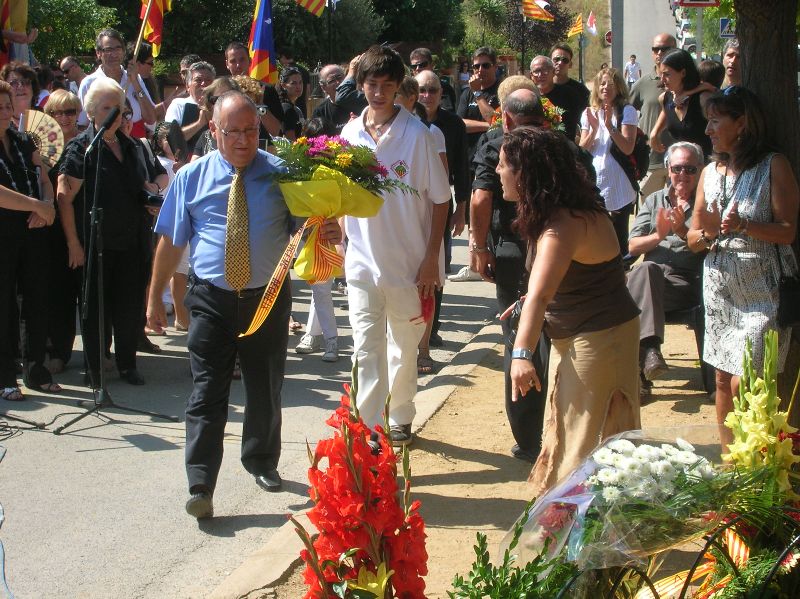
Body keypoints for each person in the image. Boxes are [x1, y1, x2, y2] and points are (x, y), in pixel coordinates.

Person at [146, 90, 342, 519]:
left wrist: (328, 228)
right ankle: (200, 482)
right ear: (213, 130)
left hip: (266, 299)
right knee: (206, 392)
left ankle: (261, 460)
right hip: (211, 298)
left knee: (265, 387)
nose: (243, 140)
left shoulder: (283, 175)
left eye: (251, 130)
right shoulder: (190, 178)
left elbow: (310, 228)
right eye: (233, 131)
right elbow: (171, 239)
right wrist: (154, 297)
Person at [501, 127, 640, 497]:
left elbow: (541, 294)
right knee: (572, 430)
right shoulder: (557, 216)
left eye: (503, 165)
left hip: (599, 338)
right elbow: (553, 285)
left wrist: (520, 353)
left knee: (586, 438)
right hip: (586, 334)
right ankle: (581, 534)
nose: (498, 171)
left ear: (524, 173)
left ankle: (580, 537)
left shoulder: (564, 225)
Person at [340, 46, 450, 446]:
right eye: (372, 84)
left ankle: (401, 415)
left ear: (398, 88)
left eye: (387, 85)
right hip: (361, 262)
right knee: (365, 346)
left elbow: (441, 200)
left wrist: (430, 259)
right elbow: (341, 193)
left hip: (408, 263)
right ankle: (367, 427)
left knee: (403, 347)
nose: (379, 93)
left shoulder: (418, 136)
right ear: (361, 85)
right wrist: (341, 234)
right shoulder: (349, 135)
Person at [686, 87, 799, 447]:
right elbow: (693, 236)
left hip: (763, 288)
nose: (708, 130)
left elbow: (788, 231)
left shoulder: (773, 165)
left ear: (743, 123)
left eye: (716, 121)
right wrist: (708, 235)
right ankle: (731, 462)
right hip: (720, 284)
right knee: (721, 379)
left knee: (748, 380)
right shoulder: (710, 171)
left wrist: (743, 226)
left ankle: (758, 460)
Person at [58, 78, 157, 387]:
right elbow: (64, 196)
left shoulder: (132, 146)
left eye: (120, 108)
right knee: (95, 309)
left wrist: (152, 201)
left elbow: (137, 187)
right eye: (107, 108)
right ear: (91, 112)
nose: (116, 114)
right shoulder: (81, 148)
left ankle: (128, 364)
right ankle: (96, 366)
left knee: (129, 306)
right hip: (95, 242)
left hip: (131, 240)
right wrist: (74, 242)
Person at [626, 142, 706, 401]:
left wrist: (682, 230)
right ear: (668, 169)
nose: (682, 175)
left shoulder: (705, 203)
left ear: (700, 170)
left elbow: (709, 246)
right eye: (677, 168)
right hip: (650, 277)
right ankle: (649, 352)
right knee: (645, 271)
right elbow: (633, 245)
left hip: (685, 280)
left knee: (640, 284)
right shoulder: (654, 200)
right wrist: (659, 236)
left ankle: (641, 367)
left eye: (690, 169)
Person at [0, 80, 59, 402]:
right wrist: (36, 205)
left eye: (7, 106)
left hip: (34, 230)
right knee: (4, 306)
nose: (4, 112)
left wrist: (47, 204)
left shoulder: (23, 141)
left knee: (36, 301)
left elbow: (44, 177)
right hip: (3, 233)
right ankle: (5, 375)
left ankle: (36, 369)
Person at [415, 68, 470, 346]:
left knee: (437, 266)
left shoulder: (452, 125)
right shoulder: (407, 122)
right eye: (421, 90)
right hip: (411, 206)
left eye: (432, 90)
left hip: (441, 203)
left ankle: (431, 329)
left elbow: (461, 169)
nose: (427, 96)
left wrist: (461, 209)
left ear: (441, 94)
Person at [579, 67, 639, 254]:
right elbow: (582, 149)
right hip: (594, 182)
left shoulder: (626, 111)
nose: (605, 87)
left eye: (610, 84)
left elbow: (627, 147)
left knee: (619, 237)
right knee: (595, 236)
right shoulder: (589, 113)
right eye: (602, 83)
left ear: (619, 87)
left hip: (619, 184)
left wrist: (609, 126)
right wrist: (595, 129)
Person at [44, 89, 82, 374]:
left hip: (84, 224)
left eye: (70, 111)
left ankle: (95, 352)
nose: (63, 118)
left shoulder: (85, 143)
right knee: (58, 294)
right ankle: (57, 351)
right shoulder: (41, 146)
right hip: (51, 230)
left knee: (85, 294)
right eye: (57, 112)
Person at [78, 29, 156, 138]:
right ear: (98, 53)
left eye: (117, 49)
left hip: (135, 143)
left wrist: (135, 83)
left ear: (123, 51)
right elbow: (82, 125)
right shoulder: (89, 83)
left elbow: (151, 118)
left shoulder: (134, 78)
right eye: (108, 50)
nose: (114, 54)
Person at [630, 33, 678, 199]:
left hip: (680, 162)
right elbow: (625, 112)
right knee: (649, 219)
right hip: (651, 162)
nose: (659, 53)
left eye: (665, 49)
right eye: (655, 49)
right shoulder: (643, 83)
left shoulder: (686, 83)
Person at [649, 49, 713, 159]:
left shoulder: (703, 98)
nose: (662, 79)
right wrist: (654, 133)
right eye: (661, 74)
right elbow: (667, 113)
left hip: (705, 167)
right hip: (679, 168)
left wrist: (689, 93)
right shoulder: (665, 98)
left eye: (667, 74)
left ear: (683, 73)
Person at [224, 42, 282, 138]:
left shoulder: (266, 90)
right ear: (227, 64)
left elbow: (275, 130)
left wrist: (259, 106)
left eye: (242, 60)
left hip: (260, 147)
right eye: (233, 61)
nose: (238, 65)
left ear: (250, 61)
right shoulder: (221, 90)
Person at [165, 60, 215, 152]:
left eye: (208, 80)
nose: (204, 84)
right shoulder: (178, 105)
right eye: (198, 80)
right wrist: (199, 124)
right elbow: (169, 140)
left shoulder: (220, 105)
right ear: (188, 86)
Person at [547, 45, 590, 142]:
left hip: (569, 147)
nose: (560, 63)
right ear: (550, 62)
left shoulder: (580, 90)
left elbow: (588, 121)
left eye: (565, 60)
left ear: (570, 64)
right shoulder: (541, 89)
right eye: (556, 59)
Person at [191, 76, 240, 159]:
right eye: (216, 99)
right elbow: (194, 168)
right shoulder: (206, 136)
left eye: (227, 98)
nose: (222, 104)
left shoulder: (253, 129)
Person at [408, 47, 457, 112]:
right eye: (414, 66)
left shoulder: (443, 87)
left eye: (422, 64)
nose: (417, 68)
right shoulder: (407, 88)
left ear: (432, 66)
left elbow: (448, 113)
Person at [277, 66, 304, 140]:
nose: (298, 86)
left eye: (300, 82)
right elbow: (290, 141)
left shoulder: (293, 108)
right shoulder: (287, 109)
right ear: (283, 85)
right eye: (293, 83)